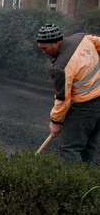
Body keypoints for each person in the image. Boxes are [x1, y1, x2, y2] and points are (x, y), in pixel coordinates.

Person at [36, 24, 100, 162]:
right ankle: (87, 179)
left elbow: (63, 99)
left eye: (45, 48)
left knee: (69, 147)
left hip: (86, 106)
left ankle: (74, 181)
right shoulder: (82, 38)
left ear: (56, 42)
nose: (43, 52)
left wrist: (55, 122)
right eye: (40, 48)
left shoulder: (61, 67)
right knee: (89, 144)